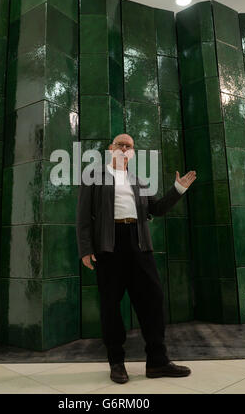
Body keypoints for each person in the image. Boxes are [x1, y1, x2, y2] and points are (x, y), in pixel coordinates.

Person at [76, 133, 196, 384]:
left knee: (153, 299)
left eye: (128, 146)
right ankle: (117, 362)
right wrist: (85, 249)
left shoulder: (139, 180)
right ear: (110, 149)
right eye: (119, 144)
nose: (123, 148)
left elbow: (157, 209)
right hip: (109, 245)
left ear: (132, 152)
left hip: (138, 243)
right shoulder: (94, 176)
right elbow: (83, 216)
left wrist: (178, 189)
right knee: (111, 304)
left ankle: (157, 362)